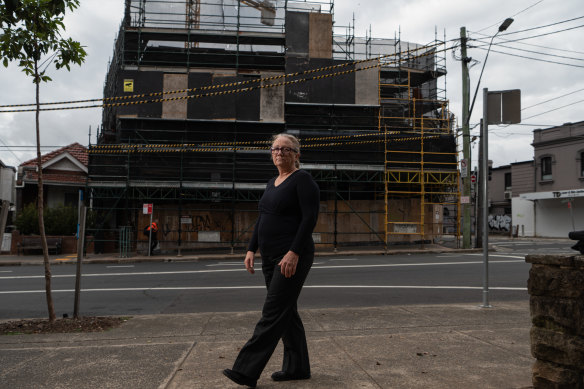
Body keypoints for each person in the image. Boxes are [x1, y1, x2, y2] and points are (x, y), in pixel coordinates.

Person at [223, 133, 320, 388]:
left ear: (297, 155)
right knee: (287, 312)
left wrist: (294, 252)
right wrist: (250, 249)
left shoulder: (303, 180)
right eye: (275, 148)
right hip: (269, 256)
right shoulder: (271, 183)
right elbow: (262, 218)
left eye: (286, 149)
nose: (279, 152)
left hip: (290, 256)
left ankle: (245, 370)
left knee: (273, 312)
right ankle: (297, 368)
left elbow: (309, 218)